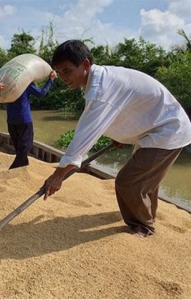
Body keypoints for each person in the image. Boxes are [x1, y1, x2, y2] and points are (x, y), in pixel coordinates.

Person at [43, 40, 191, 237]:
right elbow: (121, 109)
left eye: (67, 71)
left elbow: (84, 135)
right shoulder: (100, 80)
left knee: (128, 182)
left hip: (168, 129)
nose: (63, 77)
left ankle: (143, 227)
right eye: (59, 73)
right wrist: (120, 135)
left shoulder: (100, 90)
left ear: (85, 65)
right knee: (144, 181)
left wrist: (58, 175)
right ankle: (147, 216)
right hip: (156, 127)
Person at [7, 70, 56, 169]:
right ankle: (13, 168)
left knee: (19, 147)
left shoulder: (7, 85)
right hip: (24, 119)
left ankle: (24, 166)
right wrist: (51, 79)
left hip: (11, 120)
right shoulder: (25, 84)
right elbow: (42, 93)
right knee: (26, 146)